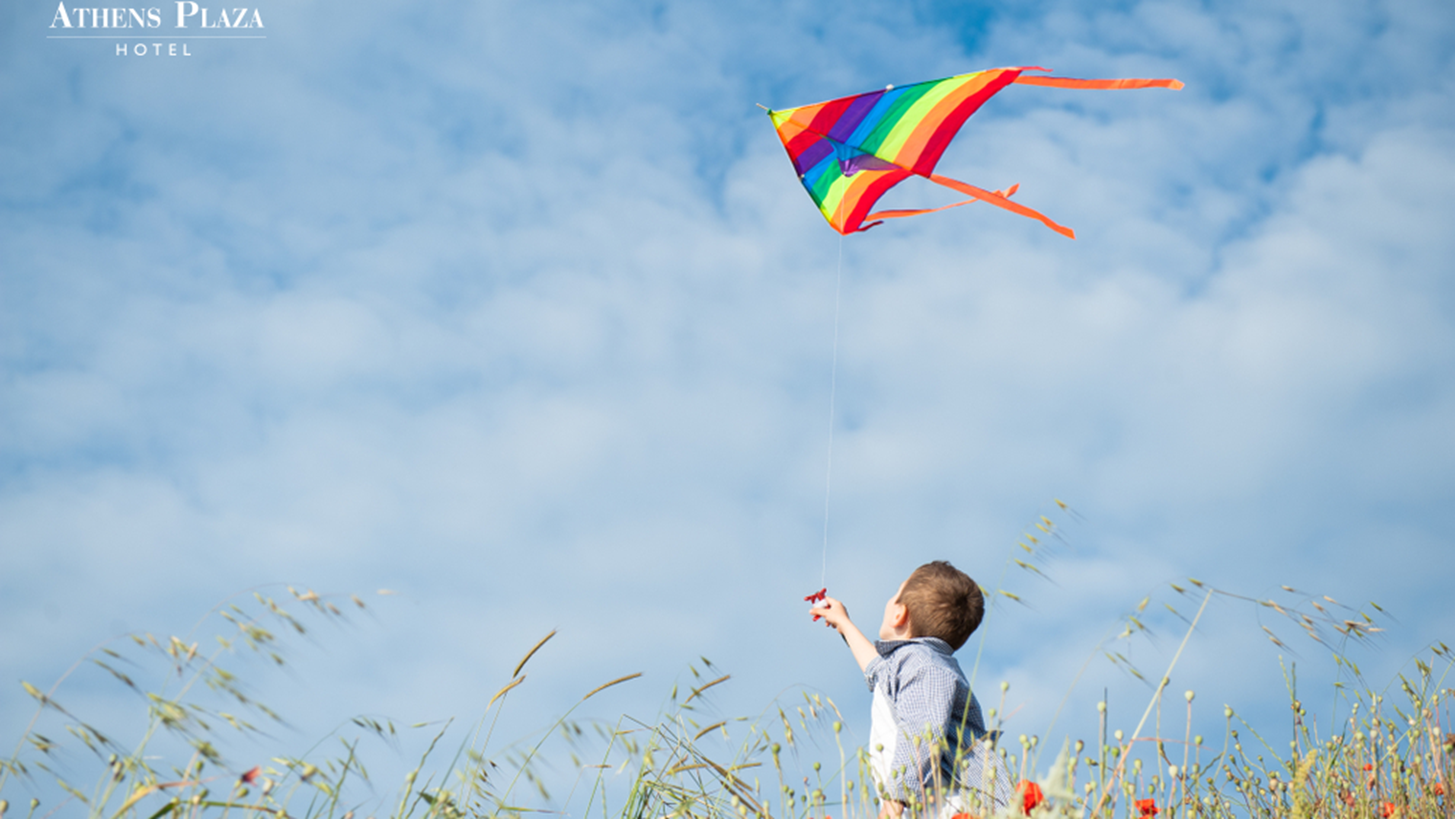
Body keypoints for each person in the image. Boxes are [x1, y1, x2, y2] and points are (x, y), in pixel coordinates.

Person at [811, 561, 1011, 818]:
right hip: (929, 803)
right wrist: (844, 624)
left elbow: (922, 731)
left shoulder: (926, 666)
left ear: (899, 614)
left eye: (895, 594)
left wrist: (893, 805)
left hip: (953, 804)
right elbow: (879, 670)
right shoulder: (917, 662)